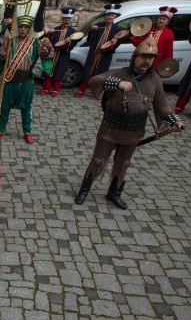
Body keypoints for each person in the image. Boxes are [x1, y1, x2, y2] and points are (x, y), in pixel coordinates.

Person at [74, 38, 184, 209]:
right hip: (111, 126)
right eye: (144, 56)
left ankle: (114, 193)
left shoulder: (155, 80)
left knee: (123, 163)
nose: (147, 61)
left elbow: (162, 105)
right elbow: (95, 81)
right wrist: (117, 83)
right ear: (135, 56)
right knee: (98, 160)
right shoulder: (119, 73)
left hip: (134, 130)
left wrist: (175, 121)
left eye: (151, 57)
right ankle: (84, 190)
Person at [0, 4, 39, 144]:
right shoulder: (11, 40)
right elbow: (0, 56)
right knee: (5, 106)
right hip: (10, 79)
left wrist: (47, 48)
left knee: (26, 108)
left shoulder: (35, 42)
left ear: (29, 28)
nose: (23, 29)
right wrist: (6, 42)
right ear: (18, 28)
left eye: (26, 27)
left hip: (26, 81)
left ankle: (27, 131)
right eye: (21, 27)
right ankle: (0, 129)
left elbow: (47, 56)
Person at [75, 3, 124, 98]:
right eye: (108, 15)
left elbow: (118, 42)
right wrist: (91, 31)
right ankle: (81, 90)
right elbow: (89, 39)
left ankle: (97, 92)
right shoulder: (98, 26)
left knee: (101, 75)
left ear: (115, 17)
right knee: (87, 72)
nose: (109, 17)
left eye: (112, 15)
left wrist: (115, 42)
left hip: (105, 55)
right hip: (94, 54)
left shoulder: (117, 29)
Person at [42, 6, 77, 97]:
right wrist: (50, 33)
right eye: (65, 19)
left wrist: (69, 42)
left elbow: (74, 43)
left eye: (68, 19)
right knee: (49, 71)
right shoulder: (56, 29)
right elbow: (48, 40)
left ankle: (56, 90)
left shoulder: (73, 32)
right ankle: (46, 88)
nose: (66, 21)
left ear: (70, 20)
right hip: (52, 54)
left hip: (63, 55)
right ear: (62, 19)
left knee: (59, 72)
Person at [130, 6, 176, 72]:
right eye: (160, 18)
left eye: (164, 19)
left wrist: (166, 64)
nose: (161, 21)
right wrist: (135, 34)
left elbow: (168, 50)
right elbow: (139, 43)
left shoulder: (169, 33)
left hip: (157, 59)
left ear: (167, 22)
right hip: (144, 57)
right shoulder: (149, 29)